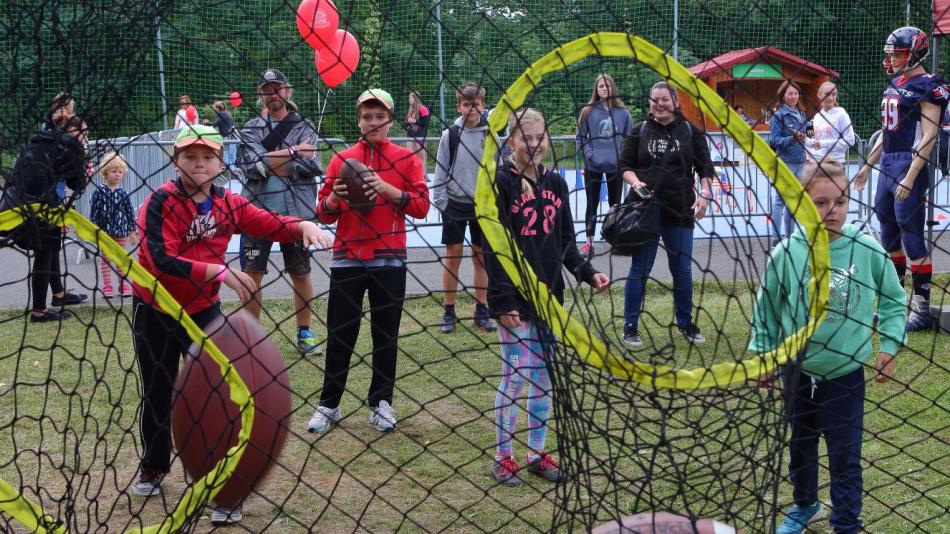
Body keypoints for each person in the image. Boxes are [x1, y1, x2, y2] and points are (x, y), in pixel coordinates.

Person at [129, 125, 330, 525]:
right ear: (176, 161)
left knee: (224, 395)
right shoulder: (159, 202)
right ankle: (154, 464)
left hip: (203, 311)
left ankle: (224, 488)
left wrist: (301, 226)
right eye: (190, 156)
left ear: (221, 163)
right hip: (156, 308)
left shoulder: (229, 203)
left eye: (207, 156)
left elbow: (267, 221)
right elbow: (159, 259)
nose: (199, 163)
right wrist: (218, 272)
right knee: (158, 391)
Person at [748, 161, 905, 534]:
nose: (831, 210)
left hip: (845, 374)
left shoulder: (866, 249)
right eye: (820, 202)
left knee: (844, 455)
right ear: (802, 203)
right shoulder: (786, 253)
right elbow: (767, 307)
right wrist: (764, 355)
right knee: (800, 447)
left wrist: (891, 345)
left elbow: (893, 300)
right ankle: (805, 506)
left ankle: (846, 522)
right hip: (796, 370)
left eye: (840, 201)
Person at [485, 107, 609, 486]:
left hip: (549, 299)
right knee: (516, 375)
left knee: (544, 380)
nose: (535, 144)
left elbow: (566, 242)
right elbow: (493, 245)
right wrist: (502, 298)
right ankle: (502, 457)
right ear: (512, 141)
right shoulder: (501, 182)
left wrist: (588, 273)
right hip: (515, 302)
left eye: (541, 138)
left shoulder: (555, 183)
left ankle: (537, 453)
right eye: (527, 138)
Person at [307, 89, 430, 434]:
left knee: (385, 335)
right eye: (366, 117)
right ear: (358, 120)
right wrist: (332, 198)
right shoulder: (341, 159)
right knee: (340, 335)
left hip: (389, 259)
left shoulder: (406, 159)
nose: (373, 122)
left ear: (390, 119)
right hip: (346, 258)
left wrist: (389, 191)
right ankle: (329, 405)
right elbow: (323, 213)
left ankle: (381, 403)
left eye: (379, 116)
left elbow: (422, 207)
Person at [855, 26, 949, 332]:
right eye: (891, 53)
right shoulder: (895, 83)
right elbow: (886, 132)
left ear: (915, 53)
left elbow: (931, 134)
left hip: (910, 164)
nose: (893, 59)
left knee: (911, 235)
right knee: (888, 236)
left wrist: (910, 175)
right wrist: (867, 165)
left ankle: (921, 308)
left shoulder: (928, 85)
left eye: (898, 53)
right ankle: (894, 305)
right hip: (886, 165)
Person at [618, 82, 715, 347]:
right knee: (640, 268)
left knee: (682, 269)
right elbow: (624, 166)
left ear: (675, 101)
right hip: (646, 210)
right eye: (654, 99)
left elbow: (705, 168)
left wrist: (706, 196)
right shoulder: (638, 131)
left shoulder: (690, 131)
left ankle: (685, 323)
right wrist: (635, 183)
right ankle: (630, 325)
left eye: (664, 99)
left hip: (680, 208)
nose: (659, 104)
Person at [238, 68, 324, 353]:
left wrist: (270, 161)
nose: (272, 94)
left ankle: (305, 332)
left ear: (287, 91)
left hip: (296, 213)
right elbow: (253, 168)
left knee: (300, 272)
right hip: (256, 212)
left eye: (277, 88)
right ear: (260, 94)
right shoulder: (251, 128)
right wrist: (291, 152)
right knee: (252, 274)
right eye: (266, 89)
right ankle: (251, 339)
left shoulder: (304, 125)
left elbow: (310, 166)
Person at [0, 113, 90, 321]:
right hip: (37, 208)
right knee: (45, 252)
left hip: (12, 205)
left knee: (51, 246)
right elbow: (76, 184)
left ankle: (58, 295)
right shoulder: (69, 148)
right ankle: (39, 311)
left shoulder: (38, 140)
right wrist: (83, 166)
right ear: (72, 132)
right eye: (83, 133)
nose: (85, 138)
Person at [431, 82, 497, 334]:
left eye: (476, 104)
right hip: (455, 204)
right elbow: (440, 171)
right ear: (459, 106)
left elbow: (498, 170)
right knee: (453, 256)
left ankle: (481, 310)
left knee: (481, 258)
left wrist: (495, 204)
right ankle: (449, 311)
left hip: (483, 206)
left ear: (483, 105)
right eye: (466, 104)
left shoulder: (492, 134)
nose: (471, 109)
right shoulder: (451, 135)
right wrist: (442, 203)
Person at [575, 73, 633, 258]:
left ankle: (616, 242)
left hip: (615, 168)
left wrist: (622, 157)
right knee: (592, 204)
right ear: (597, 89)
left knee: (615, 206)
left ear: (613, 88)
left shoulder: (623, 113)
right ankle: (589, 243)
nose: (604, 89)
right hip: (593, 168)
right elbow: (581, 138)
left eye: (608, 86)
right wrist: (590, 155)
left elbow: (630, 139)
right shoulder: (588, 111)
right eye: (601, 86)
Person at [89, 152, 137, 297]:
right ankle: (107, 286)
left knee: (121, 258)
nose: (117, 175)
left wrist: (132, 231)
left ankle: (123, 284)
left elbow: (129, 213)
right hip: (105, 233)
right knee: (106, 259)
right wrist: (94, 230)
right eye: (113, 171)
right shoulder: (99, 192)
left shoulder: (123, 193)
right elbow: (94, 212)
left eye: (120, 172)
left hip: (121, 231)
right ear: (105, 172)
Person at [769, 81, 809, 246]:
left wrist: (809, 131)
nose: (793, 96)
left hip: (801, 161)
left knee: (794, 200)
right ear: (783, 96)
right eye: (790, 94)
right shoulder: (778, 116)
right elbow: (774, 141)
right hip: (785, 162)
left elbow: (805, 134)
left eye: (795, 93)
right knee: (780, 200)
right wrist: (792, 139)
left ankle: (790, 236)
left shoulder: (802, 114)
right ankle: (776, 238)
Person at [806, 82, 856, 164]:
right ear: (819, 95)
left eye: (834, 94)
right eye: (827, 94)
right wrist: (805, 141)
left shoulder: (841, 114)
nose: (831, 97)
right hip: (817, 162)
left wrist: (823, 144)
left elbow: (850, 140)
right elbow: (818, 142)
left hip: (835, 163)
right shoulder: (817, 117)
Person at [404, 91, 430, 168]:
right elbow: (407, 122)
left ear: (415, 99)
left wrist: (414, 121)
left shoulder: (423, 109)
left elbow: (425, 123)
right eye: (409, 98)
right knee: (409, 154)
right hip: (410, 134)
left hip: (420, 135)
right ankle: (412, 173)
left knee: (421, 155)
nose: (409, 99)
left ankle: (423, 174)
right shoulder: (411, 109)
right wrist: (408, 122)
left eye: (410, 98)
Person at [210, 100, 237, 170]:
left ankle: (233, 171)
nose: (213, 109)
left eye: (214, 108)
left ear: (218, 108)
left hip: (227, 138)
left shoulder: (222, 114)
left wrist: (207, 123)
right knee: (231, 157)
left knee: (225, 156)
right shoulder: (226, 114)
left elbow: (215, 124)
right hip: (232, 137)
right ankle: (234, 171)